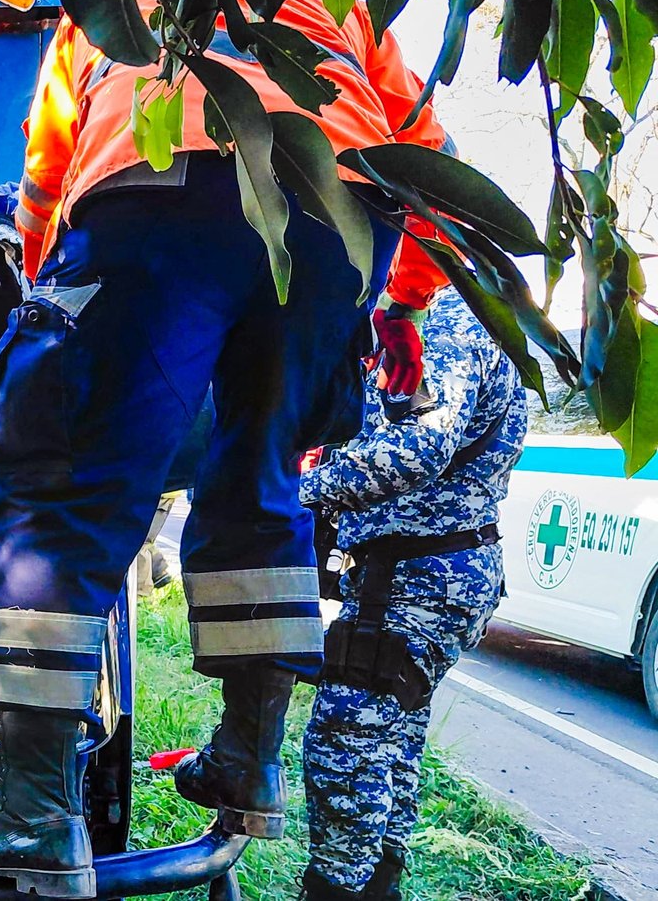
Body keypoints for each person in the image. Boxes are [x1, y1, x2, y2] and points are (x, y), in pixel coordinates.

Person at [0, 0, 451, 898]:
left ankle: (34, 810)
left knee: (66, 489)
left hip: (162, 190)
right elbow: (426, 148)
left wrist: (56, 305)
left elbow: (46, 173)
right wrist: (402, 304)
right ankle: (249, 757)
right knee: (262, 476)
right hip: (341, 211)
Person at [298, 281, 527, 900]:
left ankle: (338, 889)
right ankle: (378, 885)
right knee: (390, 743)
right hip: (420, 571)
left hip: (417, 579)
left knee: (345, 745)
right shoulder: (457, 317)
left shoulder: (447, 320)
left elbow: (420, 446)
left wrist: (300, 488)